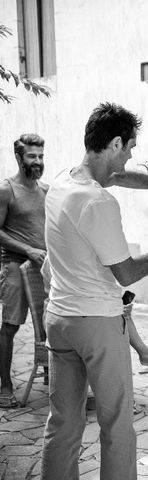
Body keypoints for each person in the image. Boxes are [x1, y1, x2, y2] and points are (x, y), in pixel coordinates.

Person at [41, 102, 148, 480]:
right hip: (97, 323)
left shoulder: (64, 181)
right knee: (118, 425)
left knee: (62, 423)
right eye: (129, 147)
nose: (130, 156)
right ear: (114, 143)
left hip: (59, 320)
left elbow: (116, 177)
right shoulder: (97, 202)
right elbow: (127, 274)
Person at [0, 134, 47, 409]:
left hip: (42, 268)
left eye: (40, 156)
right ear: (19, 158)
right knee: (10, 326)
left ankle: (50, 376)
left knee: (49, 324)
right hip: (15, 265)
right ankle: (5, 386)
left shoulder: (46, 191)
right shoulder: (7, 190)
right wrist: (27, 250)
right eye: (32, 156)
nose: (38, 161)